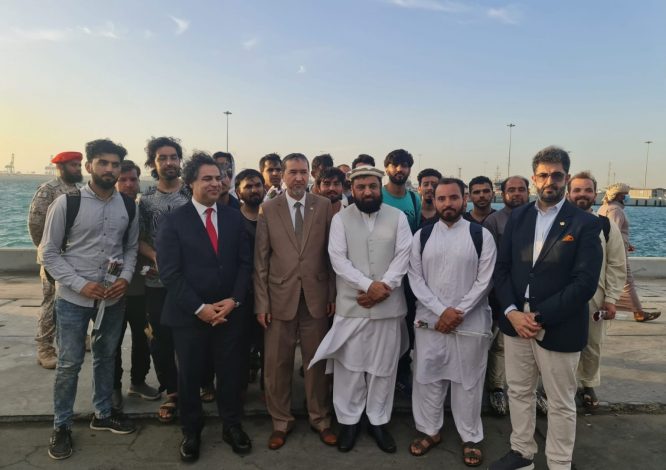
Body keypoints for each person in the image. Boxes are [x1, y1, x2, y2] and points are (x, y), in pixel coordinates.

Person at [490, 146, 602, 470]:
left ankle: (559, 463)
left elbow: (584, 283)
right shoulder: (519, 217)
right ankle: (522, 453)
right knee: (519, 391)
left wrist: (538, 317)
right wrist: (512, 312)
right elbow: (502, 269)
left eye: (556, 175)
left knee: (560, 400)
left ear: (566, 177)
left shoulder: (585, 224)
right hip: (516, 321)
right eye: (543, 175)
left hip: (559, 323)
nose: (549, 181)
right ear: (534, 178)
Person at [39, 139, 139, 460]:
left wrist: (125, 278)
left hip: (112, 297)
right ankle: (62, 425)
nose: (110, 169)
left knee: (106, 356)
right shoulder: (67, 204)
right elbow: (48, 253)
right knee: (69, 363)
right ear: (89, 166)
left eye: (115, 164)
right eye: (103, 163)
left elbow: (130, 248)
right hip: (73, 298)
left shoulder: (128, 206)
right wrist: (81, 285)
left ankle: (103, 413)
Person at [156, 153, 253, 462]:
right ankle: (191, 430)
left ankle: (232, 425)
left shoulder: (233, 217)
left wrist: (234, 300)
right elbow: (170, 273)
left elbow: (245, 264)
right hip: (189, 316)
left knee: (230, 373)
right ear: (190, 183)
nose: (215, 183)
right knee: (190, 376)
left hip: (229, 314)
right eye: (207, 178)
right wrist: (200, 308)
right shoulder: (173, 221)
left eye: (219, 177)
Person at [310, 165, 412, 453]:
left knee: (383, 368)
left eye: (372, 186)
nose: (367, 191)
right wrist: (368, 286)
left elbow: (404, 255)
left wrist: (383, 287)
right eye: (361, 187)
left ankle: (378, 421)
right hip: (352, 304)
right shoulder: (340, 219)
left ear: (380, 187)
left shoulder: (398, 217)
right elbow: (337, 259)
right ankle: (349, 422)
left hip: (388, 306)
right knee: (350, 368)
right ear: (352, 190)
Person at [408, 178, 496, 467]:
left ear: (464, 199)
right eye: (442, 198)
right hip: (430, 321)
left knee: (468, 381)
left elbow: (485, 280)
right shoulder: (421, 236)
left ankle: (470, 436)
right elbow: (415, 279)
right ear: (433, 200)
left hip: (469, 322)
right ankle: (429, 431)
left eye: (453, 198)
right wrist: (440, 311)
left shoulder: (480, 235)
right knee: (428, 376)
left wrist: (457, 312)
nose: (447, 204)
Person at [254, 153, 337, 450]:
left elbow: (331, 255)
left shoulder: (323, 206)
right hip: (279, 299)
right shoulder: (268, 208)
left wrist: (332, 294)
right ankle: (281, 422)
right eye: (293, 172)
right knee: (277, 364)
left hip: (316, 298)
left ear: (310, 174)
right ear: (283, 175)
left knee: (317, 362)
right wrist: (261, 304)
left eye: (304, 172)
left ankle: (320, 419)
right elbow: (261, 261)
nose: (299, 177)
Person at [139, 136, 191, 423]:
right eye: (162, 158)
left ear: (180, 161)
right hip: (157, 282)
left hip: (191, 280)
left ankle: (196, 386)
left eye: (173, 157)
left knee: (192, 337)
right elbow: (138, 238)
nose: (169, 162)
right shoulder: (145, 201)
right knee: (160, 339)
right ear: (153, 163)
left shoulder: (192, 194)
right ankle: (172, 392)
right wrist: (156, 256)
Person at [567, 172, 626, 411]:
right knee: (559, 343)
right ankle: (559, 385)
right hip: (562, 295)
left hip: (595, 295)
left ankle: (588, 384)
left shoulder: (605, 225)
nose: (582, 195)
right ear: (568, 193)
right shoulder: (558, 223)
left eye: (587, 190)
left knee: (592, 344)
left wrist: (611, 298)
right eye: (577, 190)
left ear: (595, 194)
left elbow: (617, 264)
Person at [112, 160, 160, 411]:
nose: (129, 184)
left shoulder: (144, 210)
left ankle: (138, 382)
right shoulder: (108, 210)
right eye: (123, 180)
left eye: (133, 179)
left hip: (142, 287)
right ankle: (112, 387)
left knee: (144, 338)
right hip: (113, 289)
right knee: (112, 341)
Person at [28, 151, 83, 369]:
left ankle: (80, 338)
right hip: (54, 259)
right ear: (60, 167)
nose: (78, 169)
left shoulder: (78, 191)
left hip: (75, 258)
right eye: (73, 165)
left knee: (77, 301)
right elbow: (36, 225)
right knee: (51, 303)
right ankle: (45, 348)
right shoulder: (48, 190)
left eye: (79, 165)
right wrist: (48, 253)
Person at [482, 176, 530, 416]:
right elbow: (489, 260)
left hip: (531, 291)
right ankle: (496, 387)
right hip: (501, 290)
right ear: (502, 194)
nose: (517, 193)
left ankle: (532, 391)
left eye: (521, 189)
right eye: (511, 190)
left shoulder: (538, 218)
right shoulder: (494, 221)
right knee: (498, 343)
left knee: (531, 343)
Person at [382, 149, 420, 397]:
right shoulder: (378, 195)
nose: (400, 169)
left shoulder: (414, 199)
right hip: (380, 270)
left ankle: (402, 371)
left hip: (406, 273)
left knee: (406, 321)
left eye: (404, 165)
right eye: (395, 165)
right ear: (387, 168)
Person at [598, 183, 661, 322]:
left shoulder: (605, 207)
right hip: (617, 252)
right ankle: (638, 312)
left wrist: (627, 244)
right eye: (625, 195)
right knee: (627, 281)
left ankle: (622, 308)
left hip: (615, 249)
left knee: (618, 281)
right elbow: (613, 232)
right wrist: (619, 248)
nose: (628, 197)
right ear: (619, 196)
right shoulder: (616, 210)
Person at [234, 169, 267, 388]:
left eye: (257, 185)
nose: (254, 190)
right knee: (240, 342)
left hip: (268, 290)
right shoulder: (231, 219)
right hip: (241, 291)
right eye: (248, 186)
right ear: (238, 192)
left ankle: (268, 387)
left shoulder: (273, 216)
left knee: (268, 343)